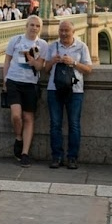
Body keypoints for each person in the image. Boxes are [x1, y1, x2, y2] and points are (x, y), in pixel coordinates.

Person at [43, 20, 92, 169]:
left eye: (66, 31)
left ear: (73, 32)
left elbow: (89, 69)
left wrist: (74, 63)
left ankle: (72, 158)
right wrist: (52, 61)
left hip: (75, 90)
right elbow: (46, 69)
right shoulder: (53, 47)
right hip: (54, 89)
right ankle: (57, 157)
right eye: (61, 30)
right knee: (55, 125)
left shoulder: (82, 47)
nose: (63, 33)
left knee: (74, 125)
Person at [3, 15, 48, 168]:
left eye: (37, 26)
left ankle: (25, 153)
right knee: (16, 115)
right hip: (14, 81)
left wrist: (32, 60)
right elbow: (7, 61)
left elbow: (40, 67)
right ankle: (18, 137)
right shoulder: (15, 40)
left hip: (31, 84)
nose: (34, 28)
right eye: (32, 25)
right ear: (26, 26)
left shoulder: (42, 44)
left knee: (28, 118)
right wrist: (5, 81)